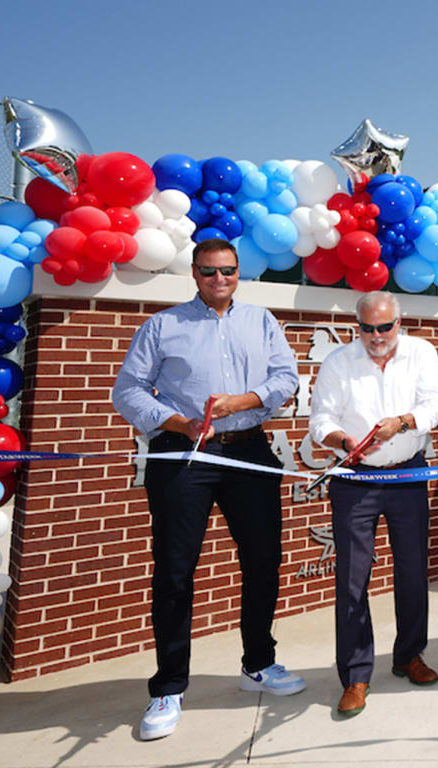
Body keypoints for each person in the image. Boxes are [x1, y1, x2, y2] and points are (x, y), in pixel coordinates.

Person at [112, 238, 305, 741]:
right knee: (175, 572)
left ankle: (258, 664)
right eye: (209, 272)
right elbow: (128, 389)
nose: (220, 279)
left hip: (249, 451)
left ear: (238, 272)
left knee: (264, 560)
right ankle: (169, 686)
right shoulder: (163, 325)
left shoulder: (261, 321)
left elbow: (286, 378)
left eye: (228, 271)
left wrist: (242, 399)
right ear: (194, 274)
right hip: (183, 455)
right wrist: (174, 419)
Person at [309, 291, 438, 717]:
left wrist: (403, 422)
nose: (376, 337)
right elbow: (320, 422)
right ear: (358, 326)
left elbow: (434, 406)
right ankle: (355, 675)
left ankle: (408, 655)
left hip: (408, 473)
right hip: (355, 480)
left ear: (399, 323)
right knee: (352, 579)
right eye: (367, 328)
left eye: (384, 327)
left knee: (412, 572)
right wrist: (343, 441)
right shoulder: (338, 362)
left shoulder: (422, 353)